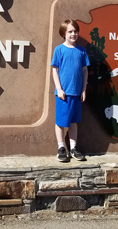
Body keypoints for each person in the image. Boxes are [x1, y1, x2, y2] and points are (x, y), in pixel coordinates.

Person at [51, 19, 89, 162]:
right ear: (64, 33)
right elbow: (55, 70)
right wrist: (59, 89)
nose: (73, 34)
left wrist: (83, 89)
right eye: (70, 31)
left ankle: (73, 147)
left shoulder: (81, 51)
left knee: (74, 121)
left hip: (77, 93)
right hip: (63, 94)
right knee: (61, 122)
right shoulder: (59, 50)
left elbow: (85, 71)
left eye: (75, 31)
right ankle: (61, 147)